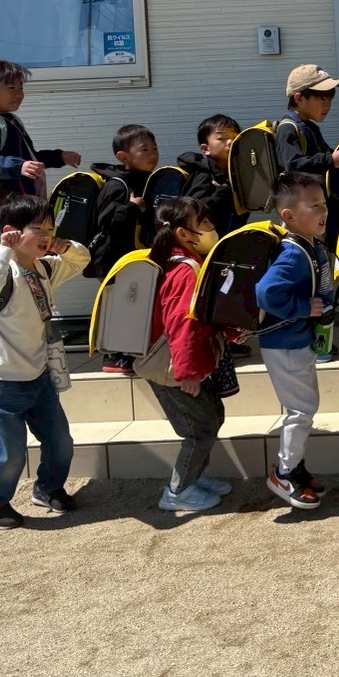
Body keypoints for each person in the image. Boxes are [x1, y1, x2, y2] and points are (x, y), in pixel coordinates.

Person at [0, 195, 90, 529]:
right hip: (0, 381)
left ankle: (47, 489)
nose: (46, 236)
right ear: (12, 231)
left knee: (61, 443)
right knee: (7, 455)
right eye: (38, 229)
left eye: (50, 229)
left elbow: (81, 260)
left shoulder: (45, 268)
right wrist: (3, 249)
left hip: (39, 376)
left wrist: (65, 247)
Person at [147, 196, 235, 514]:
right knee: (199, 431)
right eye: (204, 222)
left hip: (184, 364)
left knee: (212, 418)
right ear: (183, 233)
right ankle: (178, 490)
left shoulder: (183, 263)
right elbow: (181, 323)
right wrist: (187, 372)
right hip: (174, 368)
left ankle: (194, 477)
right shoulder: (184, 271)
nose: (210, 227)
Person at [254, 171, 335, 510]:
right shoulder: (292, 253)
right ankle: (284, 474)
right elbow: (265, 292)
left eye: (323, 204)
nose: (323, 211)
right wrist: (303, 308)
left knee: (303, 407)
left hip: (293, 341)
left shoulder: (305, 245)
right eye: (314, 205)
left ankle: (296, 469)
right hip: (285, 343)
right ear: (288, 215)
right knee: (301, 409)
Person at [0, 60, 81, 253]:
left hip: (8, 212)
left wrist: (59, 157)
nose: (19, 93)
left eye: (20, 87)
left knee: (10, 264)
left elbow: (29, 158)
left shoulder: (9, 121)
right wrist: (19, 166)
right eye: (11, 88)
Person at [88, 124, 161, 373]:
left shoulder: (148, 181)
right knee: (118, 305)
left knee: (134, 304)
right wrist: (132, 208)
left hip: (133, 257)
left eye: (154, 148)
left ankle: (130, 351)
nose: (152, 154)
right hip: (113, 259)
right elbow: (106, 221)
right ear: (123, 157)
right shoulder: (117, 185)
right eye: (144, 149)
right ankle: (113, 356)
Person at [275, 64, 339, 254]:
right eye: (322, 98)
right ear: (299, 98)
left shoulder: (310, 127)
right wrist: (329, 160)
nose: (327, 105)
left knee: (330, 258)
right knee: (309, 259)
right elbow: (291, 165)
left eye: (330, 98)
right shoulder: (288, 128)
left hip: (319, 209)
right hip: (303, 215)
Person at [179, 113, 243, 238]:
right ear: (205, 149)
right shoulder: (203, 174)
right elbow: (192, 211)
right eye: (221, 138)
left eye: (235, 137)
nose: (230, 142)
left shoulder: (236, 174)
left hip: (229, 239)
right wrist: (219, 196)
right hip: (204, 242)